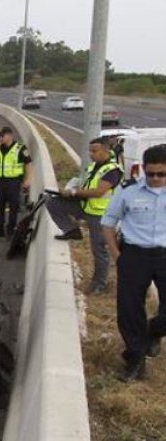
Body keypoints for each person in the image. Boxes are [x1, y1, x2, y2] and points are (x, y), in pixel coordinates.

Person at [101, 144, 166, 382]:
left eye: (161, 174)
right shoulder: (129, 192)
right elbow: (108, 222)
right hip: (133, 255)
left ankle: (153, 331)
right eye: (151, 174)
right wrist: (117, 255)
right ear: (144, 170)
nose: (156, 179)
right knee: (129, 311)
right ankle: (135, 360)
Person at [47, 137, 123, 294]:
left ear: (105, 151)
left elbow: (99, 192)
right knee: (53, 203)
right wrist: (72, 189)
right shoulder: (94, 167)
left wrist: (74, 192)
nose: (91, 154)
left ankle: (99, 284)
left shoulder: (112, 170)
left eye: (94, 151)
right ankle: (71, 230)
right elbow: (87, 185)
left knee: (99, 249)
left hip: (101, 216)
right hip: (85, 206)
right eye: (90, 151)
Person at [0, 127, 33, 238]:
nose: (0, 138)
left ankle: (11, 230)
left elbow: (28, 163)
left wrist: (28, 179)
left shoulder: (20, 148)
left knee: (13, 207)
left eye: (2, 136)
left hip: (13, 181)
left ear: (9, 135)